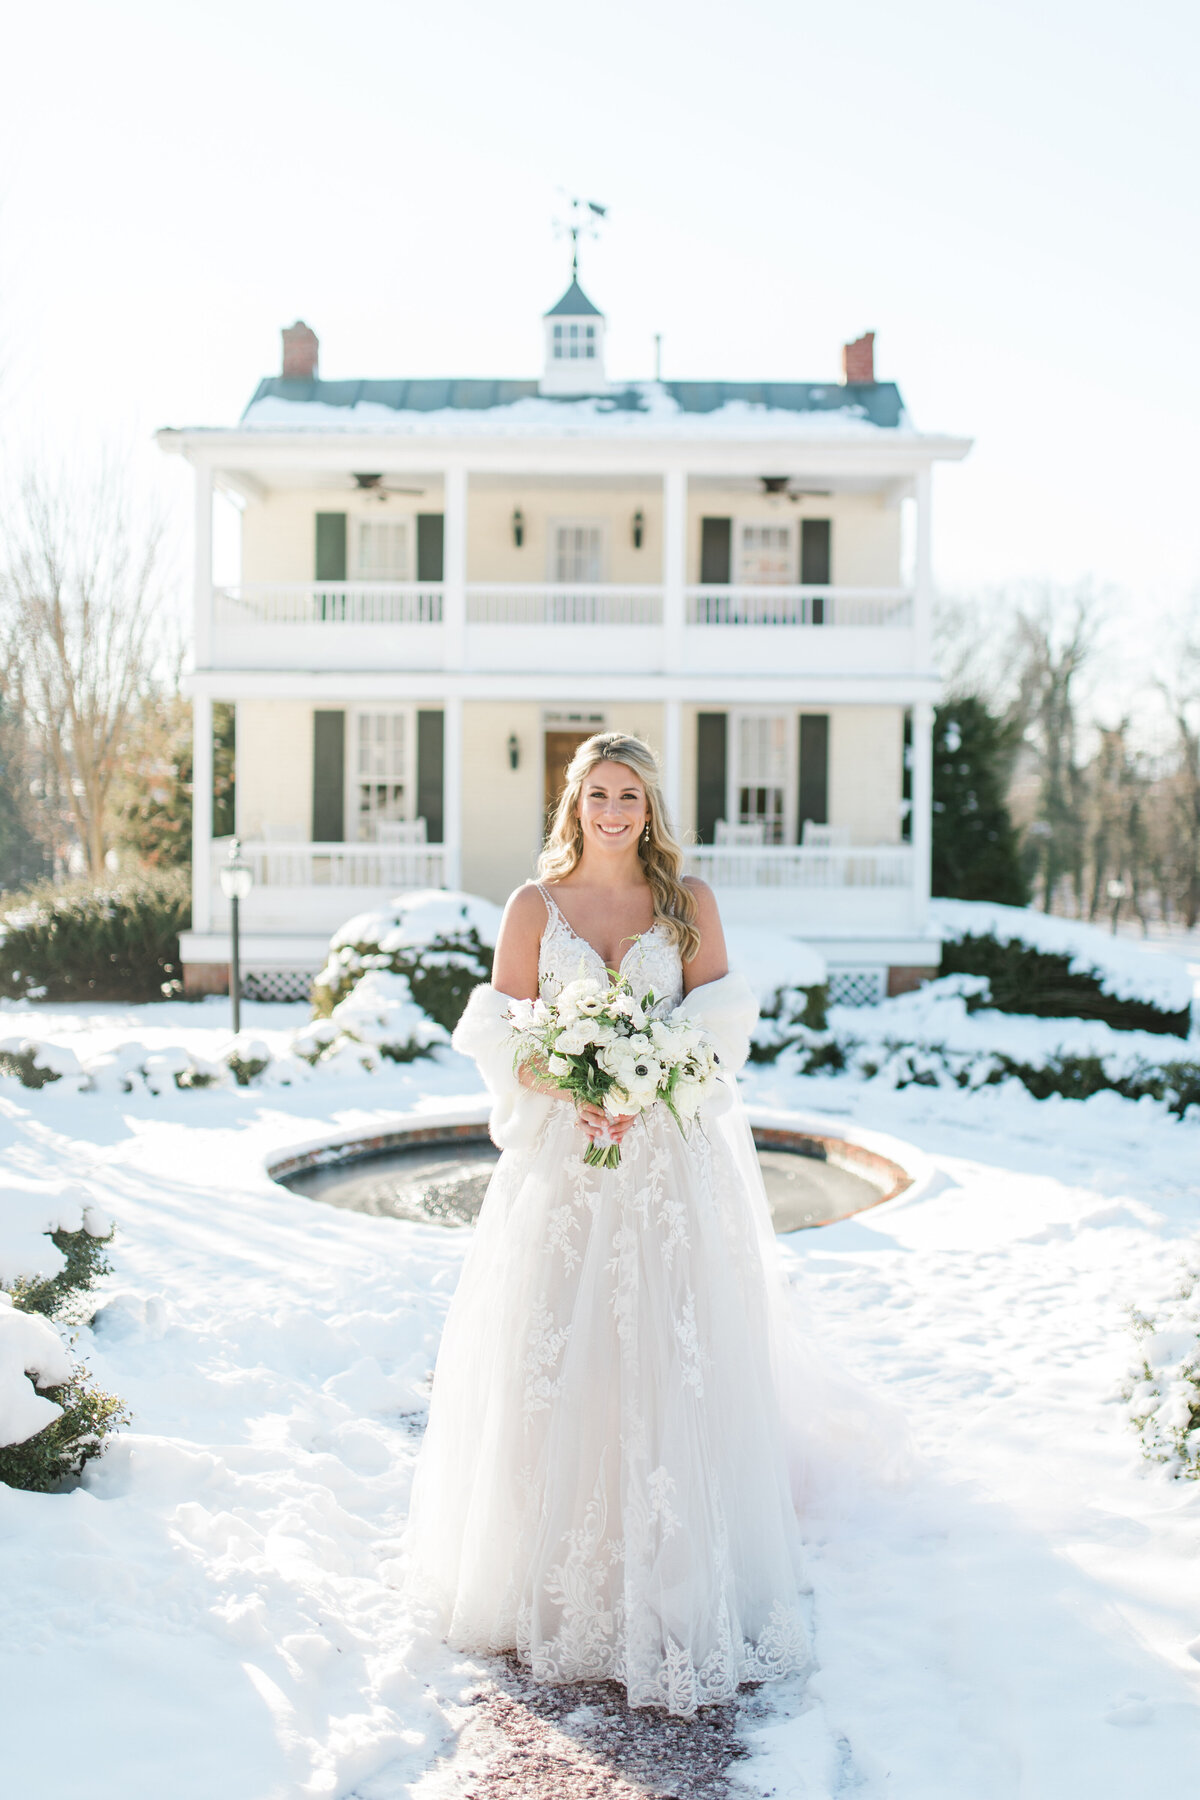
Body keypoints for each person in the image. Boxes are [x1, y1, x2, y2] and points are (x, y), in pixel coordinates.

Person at [405, 732, 811, 1717]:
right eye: (598, 793)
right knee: (562, 1361)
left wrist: (651, 1080)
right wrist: (571, 1082)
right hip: (565, 1170)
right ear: (574, 804)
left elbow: (721, 1027)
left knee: (671, 1361)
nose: (615, 810)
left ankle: (674, 1584)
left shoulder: (689, 903)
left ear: (650, 804)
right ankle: (559, 1588)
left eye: (630, 793)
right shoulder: (532, 909)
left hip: (671, 1166)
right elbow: (498, 1028)